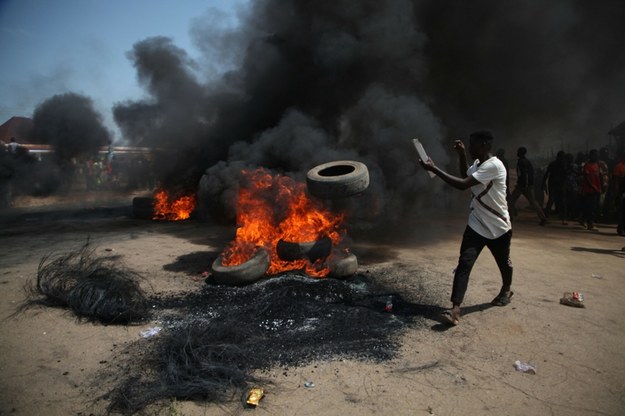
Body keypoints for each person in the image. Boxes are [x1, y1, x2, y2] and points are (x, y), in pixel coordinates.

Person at [420, 130, 513, 325]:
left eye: (473, 145)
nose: (470, 148)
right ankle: (455, 307)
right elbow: (466, 174)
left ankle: (506, 289)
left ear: (485, 145)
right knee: (465, 262)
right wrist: (461, 155)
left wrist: (434, 169)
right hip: (477, 223)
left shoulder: (494, 166)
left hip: (498, 225)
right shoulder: (479, 165)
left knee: (503, 262)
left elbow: (463, 184)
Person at [508, 147, 547, 225]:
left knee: (511, 201)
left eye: (518, 151)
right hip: (527, 185)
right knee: (533, 201)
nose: (517, 153)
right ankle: (543, 217)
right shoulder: (526, 161)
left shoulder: (521, 162)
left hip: (522, 185)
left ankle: (509, 217)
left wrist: (524, 185)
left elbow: (524, 174)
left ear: (520, 153)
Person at [580, 149, 603, 231]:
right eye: (595, 155)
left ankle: (583, 219)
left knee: (594, 207)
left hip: (597, 189)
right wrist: (594, 187)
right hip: (589, 189)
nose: (597, 157)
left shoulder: (598, 165)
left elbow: (599, 176)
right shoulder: (587, 165)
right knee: (591, 207)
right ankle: (590, 224)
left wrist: (601, 187)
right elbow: (587, 178)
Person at [542, 151, 567, 224]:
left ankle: (547, 217)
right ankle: (546, 217)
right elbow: (547, 174)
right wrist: (543, 183)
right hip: (555, 184)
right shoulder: (556, 164)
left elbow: (547, 174)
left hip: (557, 184)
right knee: (555, 200)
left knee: (557, 201)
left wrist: (543, 183)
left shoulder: (559, 164)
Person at [612, 148, 625, 236]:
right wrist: (617, 193)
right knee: (622, 212)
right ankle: (621, 228)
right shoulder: (619, 166)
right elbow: (616, 182)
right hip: (622, 193)